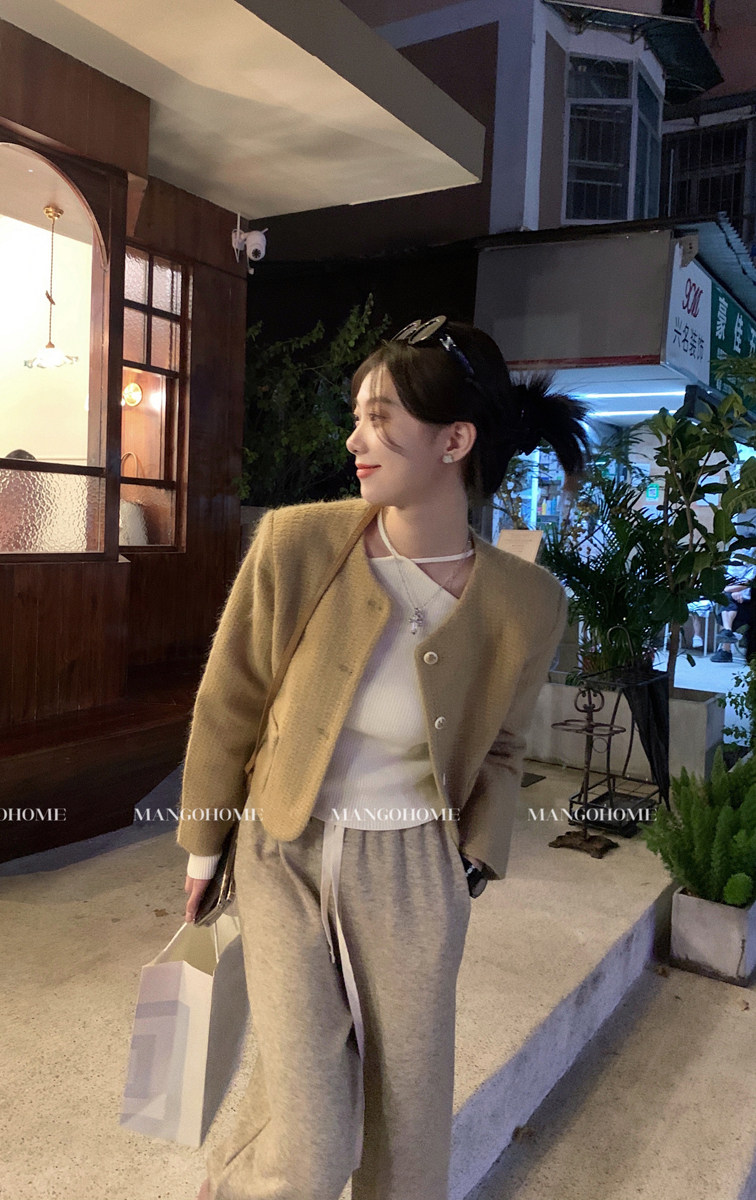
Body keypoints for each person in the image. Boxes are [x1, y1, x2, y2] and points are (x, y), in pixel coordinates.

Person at [177, 316, 589, 1200]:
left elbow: (505, 743)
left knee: (407, 1126)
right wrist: (205, 843)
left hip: (415, 873)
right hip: (285, 851)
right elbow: (230, 699)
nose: (354, 441)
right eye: (357, 417)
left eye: (379, 418)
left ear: (455, 441)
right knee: (314, 1140)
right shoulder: (296, 544)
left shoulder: (528, 601)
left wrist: (475, 856)